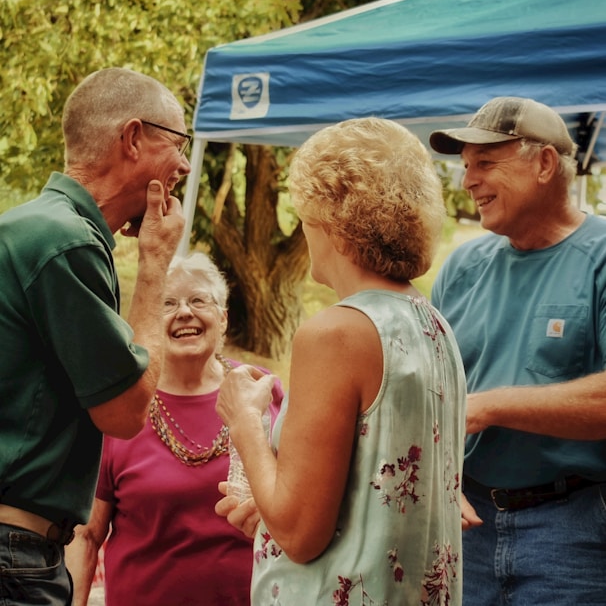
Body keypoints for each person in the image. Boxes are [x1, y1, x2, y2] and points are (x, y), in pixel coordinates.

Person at [215, 117, 467, 605]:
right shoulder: (434, 326)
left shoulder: (335, 333)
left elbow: (300, 531)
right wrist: (268, 505)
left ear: (331, 218)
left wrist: (244, 419)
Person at [0, 67, 189, 604]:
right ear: (132, 138)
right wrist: (154, 262)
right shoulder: (63, 241)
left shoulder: (33, 225)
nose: (184, 164)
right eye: (177, 143)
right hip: (14, 556)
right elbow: (125, 413)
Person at [429, 96, 606, 605]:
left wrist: (490, 406)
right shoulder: (462, 268)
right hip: (466, 525)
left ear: (545, 163)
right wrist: (442, 479)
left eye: (485, 162)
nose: (467, 181)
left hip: (574, 531)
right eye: (465, 166)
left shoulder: (599, 258)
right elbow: (428, 393)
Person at [65, 252, 284, 606]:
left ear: (224, 318)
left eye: (199, 300)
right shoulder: (120, 408)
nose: (184, 312)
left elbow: (299, 500)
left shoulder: (261, 388)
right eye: (168, 304)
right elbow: (87, 534)